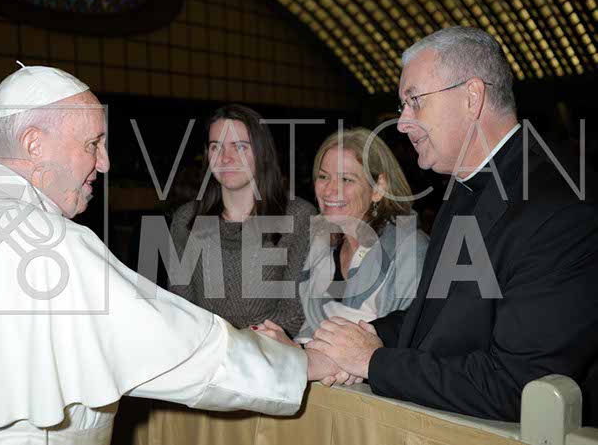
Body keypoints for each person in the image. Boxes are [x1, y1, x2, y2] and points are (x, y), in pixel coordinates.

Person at [0, 65, 344, 444]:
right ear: (34, 144)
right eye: (92, 144)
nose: (105, 163)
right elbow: (178, 347)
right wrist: (302, 363)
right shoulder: (45, 240)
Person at [295, 26, 598, 423]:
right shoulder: (466, 186)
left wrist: (372, 361)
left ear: (472, 97)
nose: (402, 123)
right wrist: (354, 342)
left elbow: (517, 386)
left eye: (414, 101)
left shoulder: (560, 207)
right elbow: (433, 320)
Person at [168, 104, 315, 337]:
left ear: (262, 153)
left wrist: (240, 347)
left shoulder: (299, 217)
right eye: (216, 147)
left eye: (240, 147)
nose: (226, 158)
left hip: (271, 353)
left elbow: (294, 313)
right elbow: (181, 308)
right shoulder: (186, 221)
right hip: (206, 353)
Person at [295, 128, 428, 342]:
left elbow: (412, 338)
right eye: (323, 176)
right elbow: (309, 327)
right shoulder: (321, 244)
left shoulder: (409, 250)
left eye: (346, 179)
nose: (329, 190)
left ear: (378, 188)